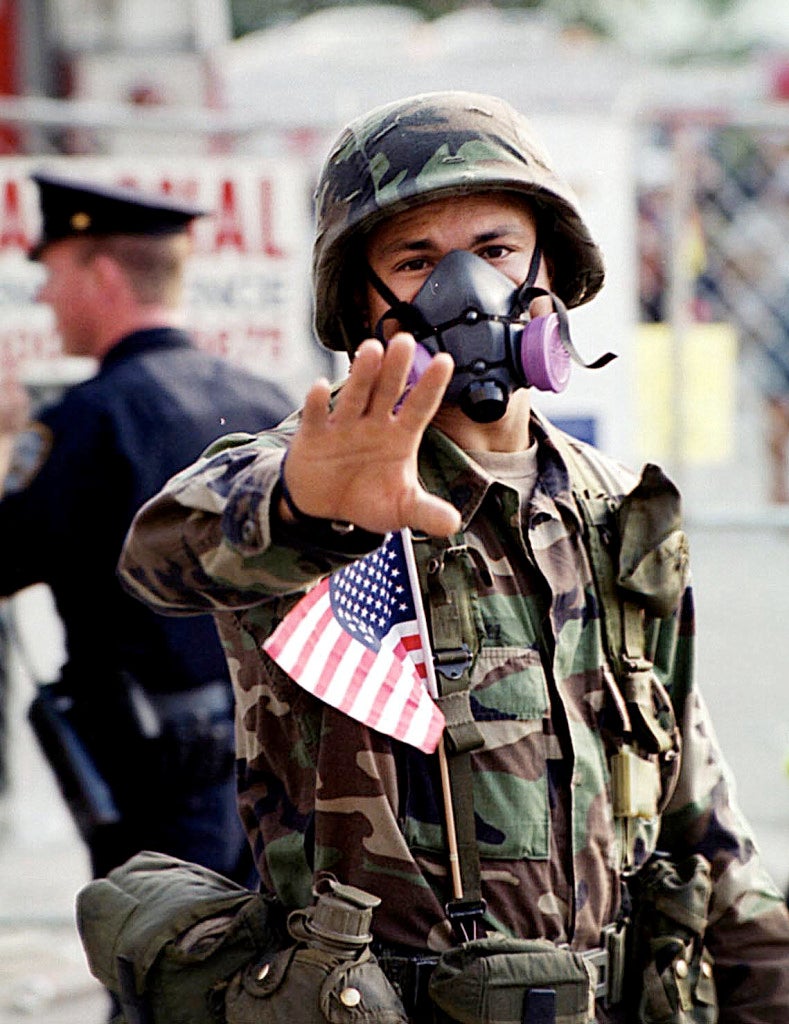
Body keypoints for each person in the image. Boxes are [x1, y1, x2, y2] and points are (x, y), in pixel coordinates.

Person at [118, 93, 789, 1023]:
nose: (464, 289)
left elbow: (693, 801)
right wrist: (309, 512)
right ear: (362, 299)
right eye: (416, 261)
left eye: (496, 250)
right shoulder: (312, 482)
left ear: (549, 269)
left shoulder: (615, 506)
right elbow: (162, 554)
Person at [0, 172, 293, 886]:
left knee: (156, 972)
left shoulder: (88, 421)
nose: (44, 297)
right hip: (276, 754)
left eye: (54, 274)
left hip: (152, 768)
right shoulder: (266, 400)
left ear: (101, 275)